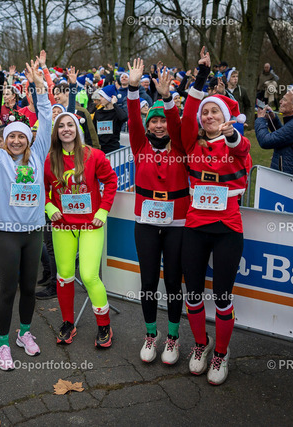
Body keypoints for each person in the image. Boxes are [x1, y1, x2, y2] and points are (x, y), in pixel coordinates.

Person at [0, 60, 50, 371]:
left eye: (21, 137)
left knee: (29, 288)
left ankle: (23, 333)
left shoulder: (39, 154)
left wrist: (40, 89)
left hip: (33, 232)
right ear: (5, 139)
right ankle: (3, 342)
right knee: (8, 290)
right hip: (6, 234)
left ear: (29, 139)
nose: (16, 141)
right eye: (11, 136)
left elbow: (46, 119)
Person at [179, 47, 252, 386]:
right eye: (205, 112)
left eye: (215, 112)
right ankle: (201, 344)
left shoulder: (237, 144)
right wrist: (201, 77)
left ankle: (221, 353)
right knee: (193, 293)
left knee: (223, 296)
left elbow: (240, 147)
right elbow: (187, 114)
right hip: (195, 227)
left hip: (227, 229)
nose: (208, 116)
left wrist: (231, 132)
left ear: (225, 116)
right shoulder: (191, 145)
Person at [127, 59, 189, 364]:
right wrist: (133, 88)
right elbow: (132, 119)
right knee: (149, 281)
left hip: (177, 223)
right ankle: (151, 334)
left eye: (163, 120)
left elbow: (177, 125)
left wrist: (167, 100)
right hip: (146, 223)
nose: (159, 125)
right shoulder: (140, 146)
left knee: (174, 281)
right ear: (148, 124)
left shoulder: (180, 147)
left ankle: (173, 337)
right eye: (154, 121)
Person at [44, 109, 117, 348]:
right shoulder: (49, 159)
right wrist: (48, 206)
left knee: (88, 275)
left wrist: (103, 210)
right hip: (63, 226)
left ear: (77, 129)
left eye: (70, 125)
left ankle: (104, 325)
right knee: (64, 276)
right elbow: (42, 188)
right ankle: (68, 322)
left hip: (90, 225)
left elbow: (111, 180)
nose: (66, 129)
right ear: (56, 132)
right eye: (61, 126)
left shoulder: (93, 155)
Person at [255, 88, 293, 178]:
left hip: (288, 179)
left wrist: (260, 119)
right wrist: (273, 119)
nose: (280, 102)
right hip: (289, 175)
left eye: (285, 100)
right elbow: (284, 137)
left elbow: (265, 141)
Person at [92, 85, 128, 154]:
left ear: (109, 98)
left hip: (113, 149)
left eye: (102, 96)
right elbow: (94, 130)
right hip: (100, 149)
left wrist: (114, 103)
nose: (100, 99)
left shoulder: (117, 112)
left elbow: (124, 118)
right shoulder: (98, 112)